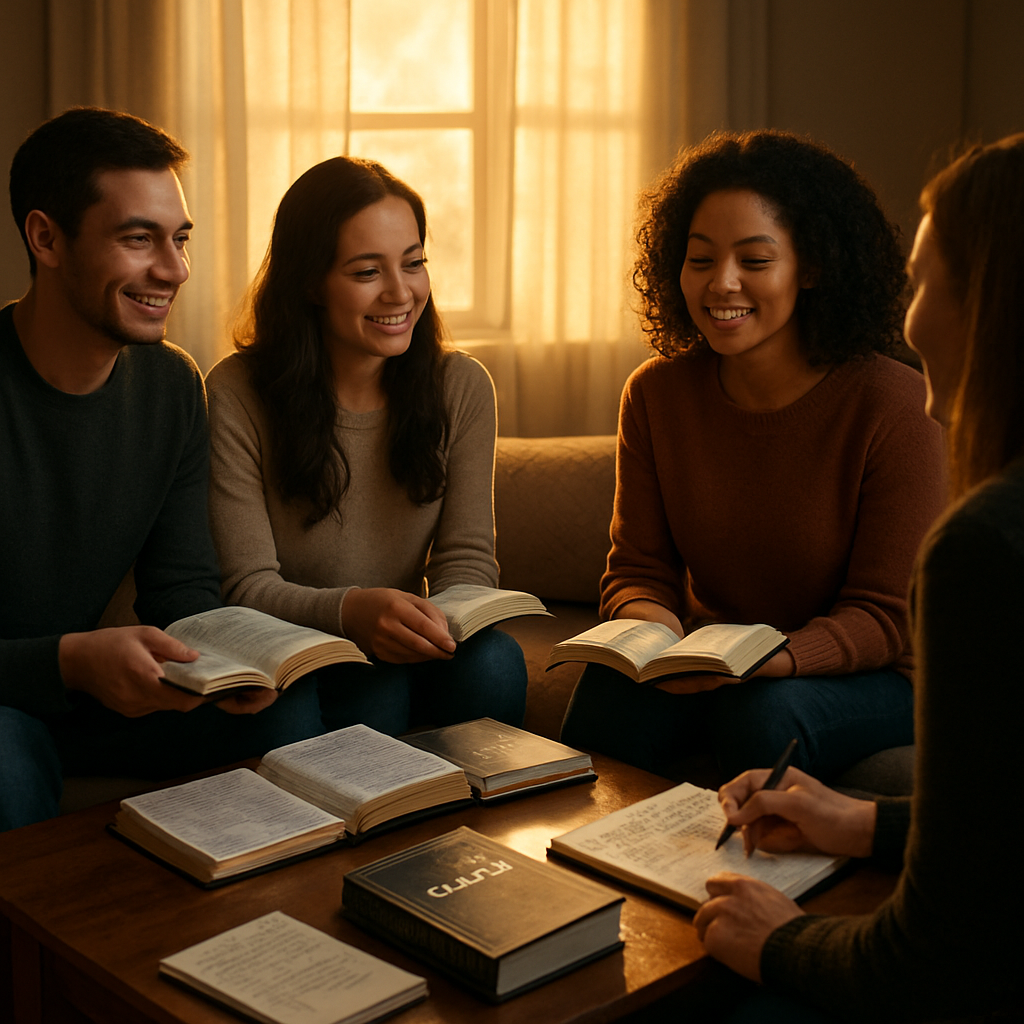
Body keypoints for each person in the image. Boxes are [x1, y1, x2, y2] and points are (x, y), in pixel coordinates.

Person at [692, 134, 1024, 1023]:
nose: (909, 322)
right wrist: (864, 823)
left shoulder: (986, 548)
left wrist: (783, 937)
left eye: (926, 287)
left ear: (989, 306)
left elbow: (931, 959)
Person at [560, 131, 946, 782]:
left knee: (761, 714)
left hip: (875, 676)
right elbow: (638, 570)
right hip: (723, 660)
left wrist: (773, 659)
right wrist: (653, 636)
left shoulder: (895, 405)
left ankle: (742, 882)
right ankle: (583, 875)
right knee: (610, 689)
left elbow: (886, 618)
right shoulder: (655, 394)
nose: (722, 284)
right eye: (701, 259)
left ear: (813, 266)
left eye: (755, 260)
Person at [0, 108, 324, 832]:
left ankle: (255, 939)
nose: (174, 270)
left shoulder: (173, 385)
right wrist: (71, 662)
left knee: (292, 707)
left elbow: (182, 591)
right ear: (46, 238)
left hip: (94, 698)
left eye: (178, 239)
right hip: (12, 702)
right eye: (137, 238)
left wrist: (231, 663)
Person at [206, 156, 527, 735]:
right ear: (310, 282)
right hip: (297, 650)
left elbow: (465, 561)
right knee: (365, 692)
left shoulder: (462, 386)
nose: (400, 293)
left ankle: (464, 825)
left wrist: (437, 623)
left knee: (496, 662)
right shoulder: (236, 391)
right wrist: (352, 612)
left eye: (414, 263)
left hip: (404, 642)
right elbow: (246, 587)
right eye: (366, 272)